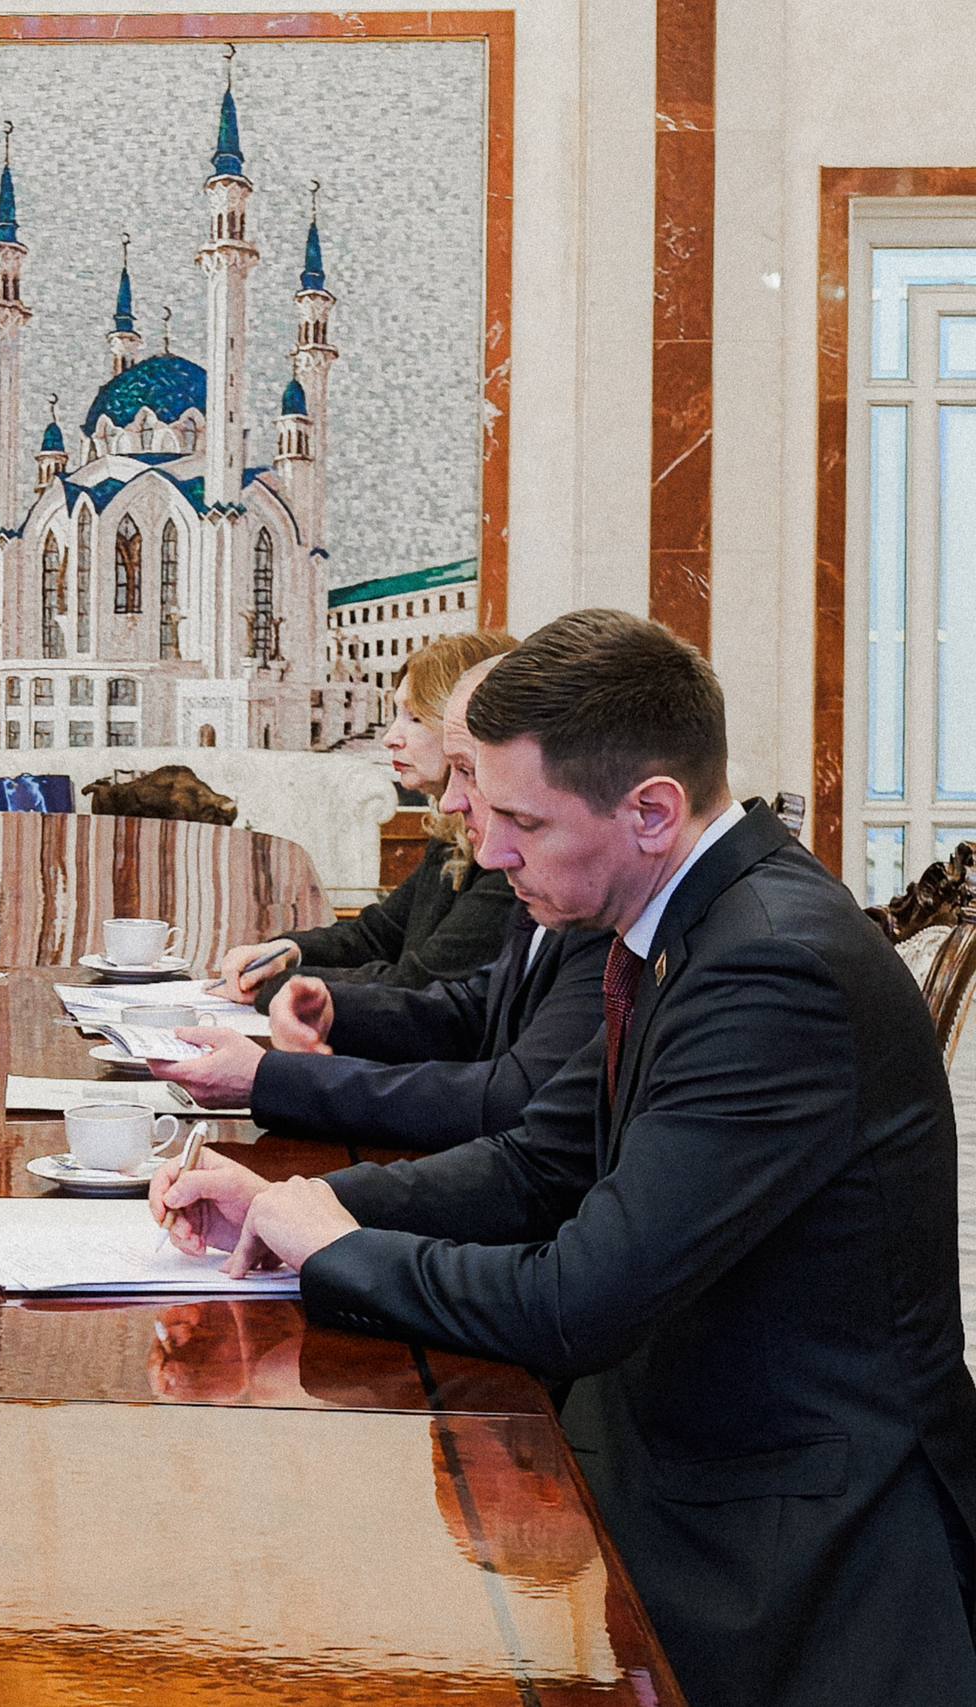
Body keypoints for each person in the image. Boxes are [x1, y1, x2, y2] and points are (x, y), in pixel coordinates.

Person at [151, 610, 976, 1706]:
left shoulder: (768, 968)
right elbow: (537, 1162)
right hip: (681, 1450)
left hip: (796, 1543)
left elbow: (578, 1298)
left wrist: (337, 1250)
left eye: (522, 822)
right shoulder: (692, 924)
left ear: (651, 812)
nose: (491, 852)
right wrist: (288, 1201)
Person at [151, 653, 612, 1151]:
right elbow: (469, 1011)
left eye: (470, 771)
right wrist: (329, 1005)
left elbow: (507, 1100)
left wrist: (273, 1078)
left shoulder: (577, 900)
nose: (453, 801)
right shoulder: (540, 873)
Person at [211, 630, 521, 1003]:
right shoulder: (451, 835)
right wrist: (288, 951)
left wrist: (284, 983)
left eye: (415, 718)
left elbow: (418, 982)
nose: (390, 737)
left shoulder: (509, 859)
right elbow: (377, 935)